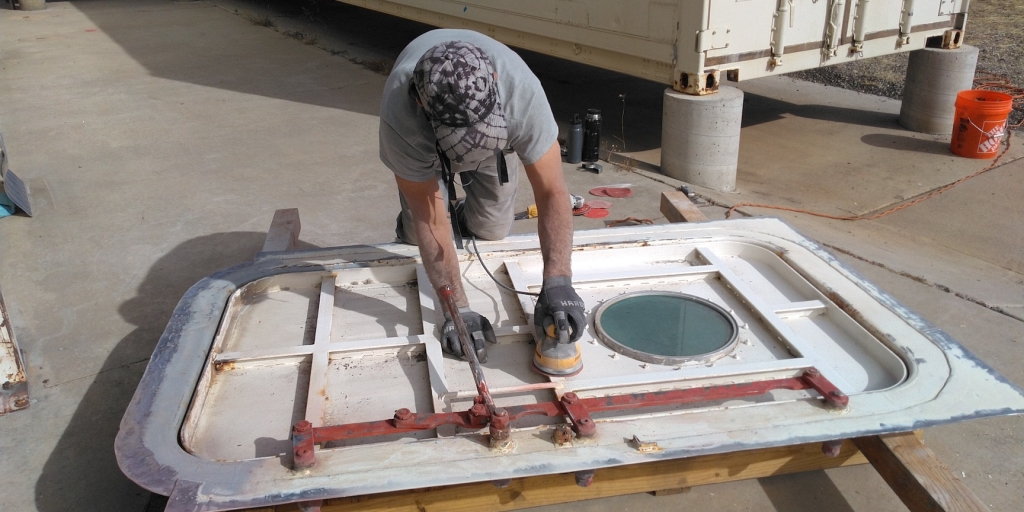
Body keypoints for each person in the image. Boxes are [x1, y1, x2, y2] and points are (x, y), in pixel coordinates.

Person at [378, 29, 585, 374]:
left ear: (494, 78)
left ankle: (456, 212)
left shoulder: (521, 95)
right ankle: (416, 216)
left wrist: (559, 281)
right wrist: (455, 308)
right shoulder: (402, 118)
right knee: (421, 229)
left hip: (496, 145)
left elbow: (552, 191)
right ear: (419, 101)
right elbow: (431, 220)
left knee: (493, 229)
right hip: (430, 150)